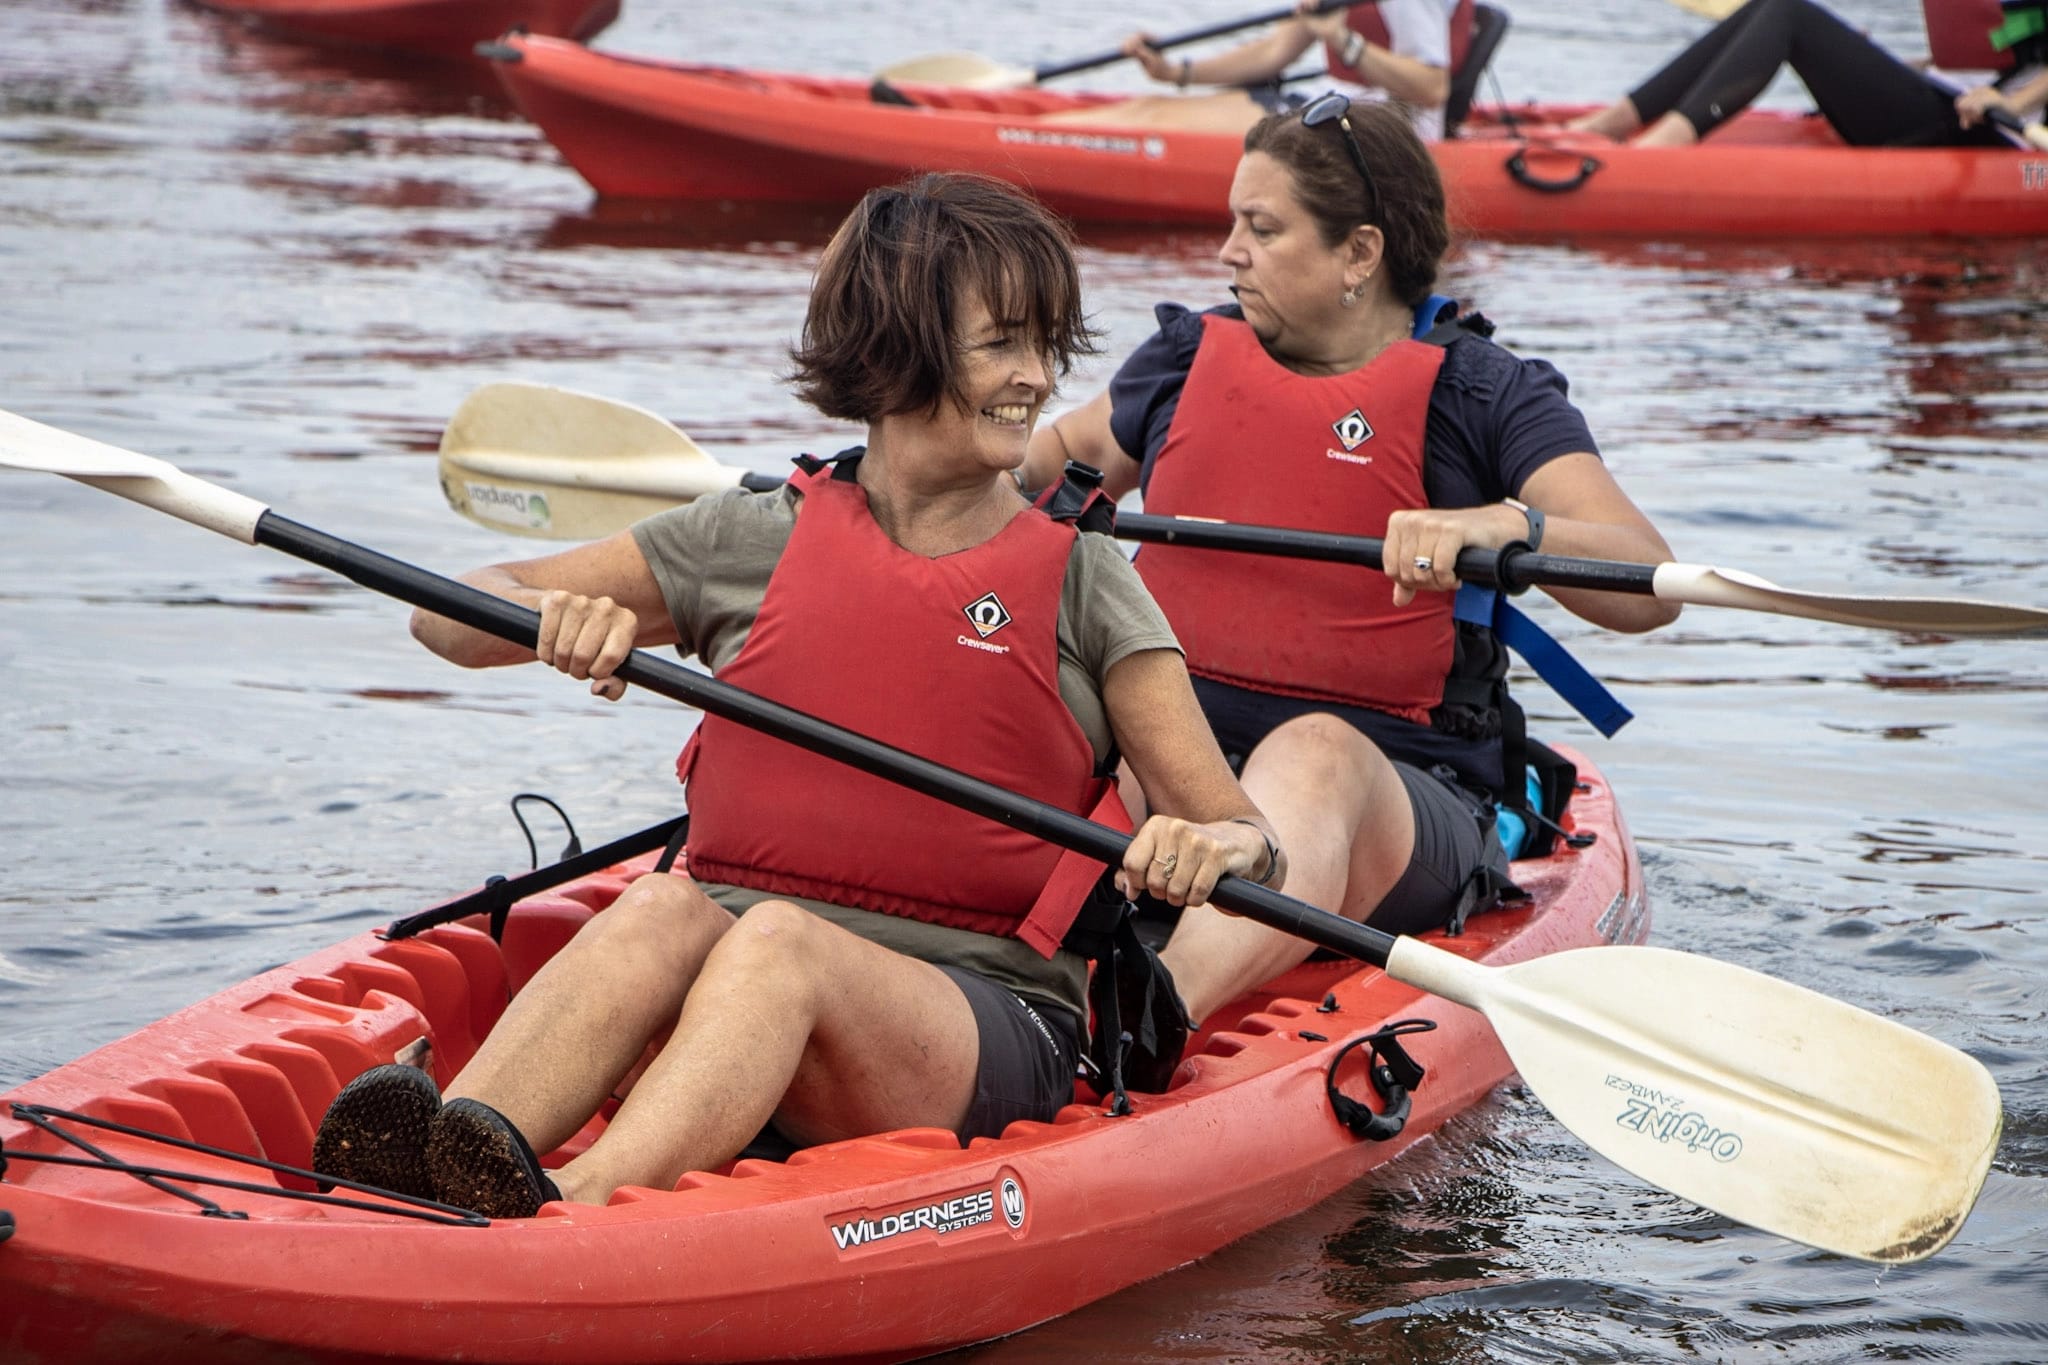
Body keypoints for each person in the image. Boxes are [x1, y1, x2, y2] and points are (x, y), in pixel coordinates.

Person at [310, 172, 1284, 1218]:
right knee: (665, 906)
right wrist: (549, 619)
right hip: (733, 1002)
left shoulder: (1085, 579)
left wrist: (1210, 848)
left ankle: (571, 1205)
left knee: (776, 942)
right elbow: (446, 619)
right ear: (896, 345)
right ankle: (453, 1150)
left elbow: (1245, 835)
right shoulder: (752, 537)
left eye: (1046, 344)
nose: (1036, 378)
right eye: (1002, 342)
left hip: (980, 1027)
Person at [1023, 99, 1679, 1029]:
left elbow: (1647, 581)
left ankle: (1143, 1021)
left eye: (1262, 227)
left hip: (1406, 801)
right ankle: (1002, 988)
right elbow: (1043, 463)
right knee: (1066, 733)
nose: (1227, 251)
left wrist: (1504, 523)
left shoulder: (1483, 393)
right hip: (1187, 765)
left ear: (1359, 254)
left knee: (1316, 752)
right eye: (1231, 222)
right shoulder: (1183, 360)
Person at [1566, 0, 2048, 150]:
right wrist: (1921, 65)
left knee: (1789, 11)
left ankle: (1658, 150)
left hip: (1995, 134)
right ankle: (1617, 121)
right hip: (1959, 101)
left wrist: (2015, 104)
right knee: (1768, 5)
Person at [1040, 0, 1461, 140]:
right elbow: (1274, 52)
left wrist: (1343, 41)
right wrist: (1175, 73)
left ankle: (1006, 153)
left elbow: (1431, 86)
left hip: (1380, 128)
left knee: (1151, 119)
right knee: (1147, 106)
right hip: (1326, 105)